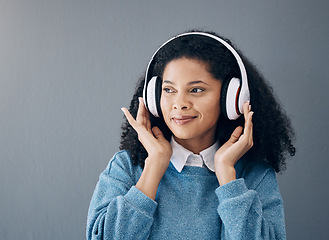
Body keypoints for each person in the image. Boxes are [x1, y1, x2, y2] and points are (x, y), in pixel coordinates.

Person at [86, 30, 295, 240]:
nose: (180, 103)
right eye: (169, 90)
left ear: (231, 98)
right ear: (153, 96)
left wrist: (228, 179)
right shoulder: (127, 167)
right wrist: (154, 166)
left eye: (196, 90)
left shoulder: (255, 174)